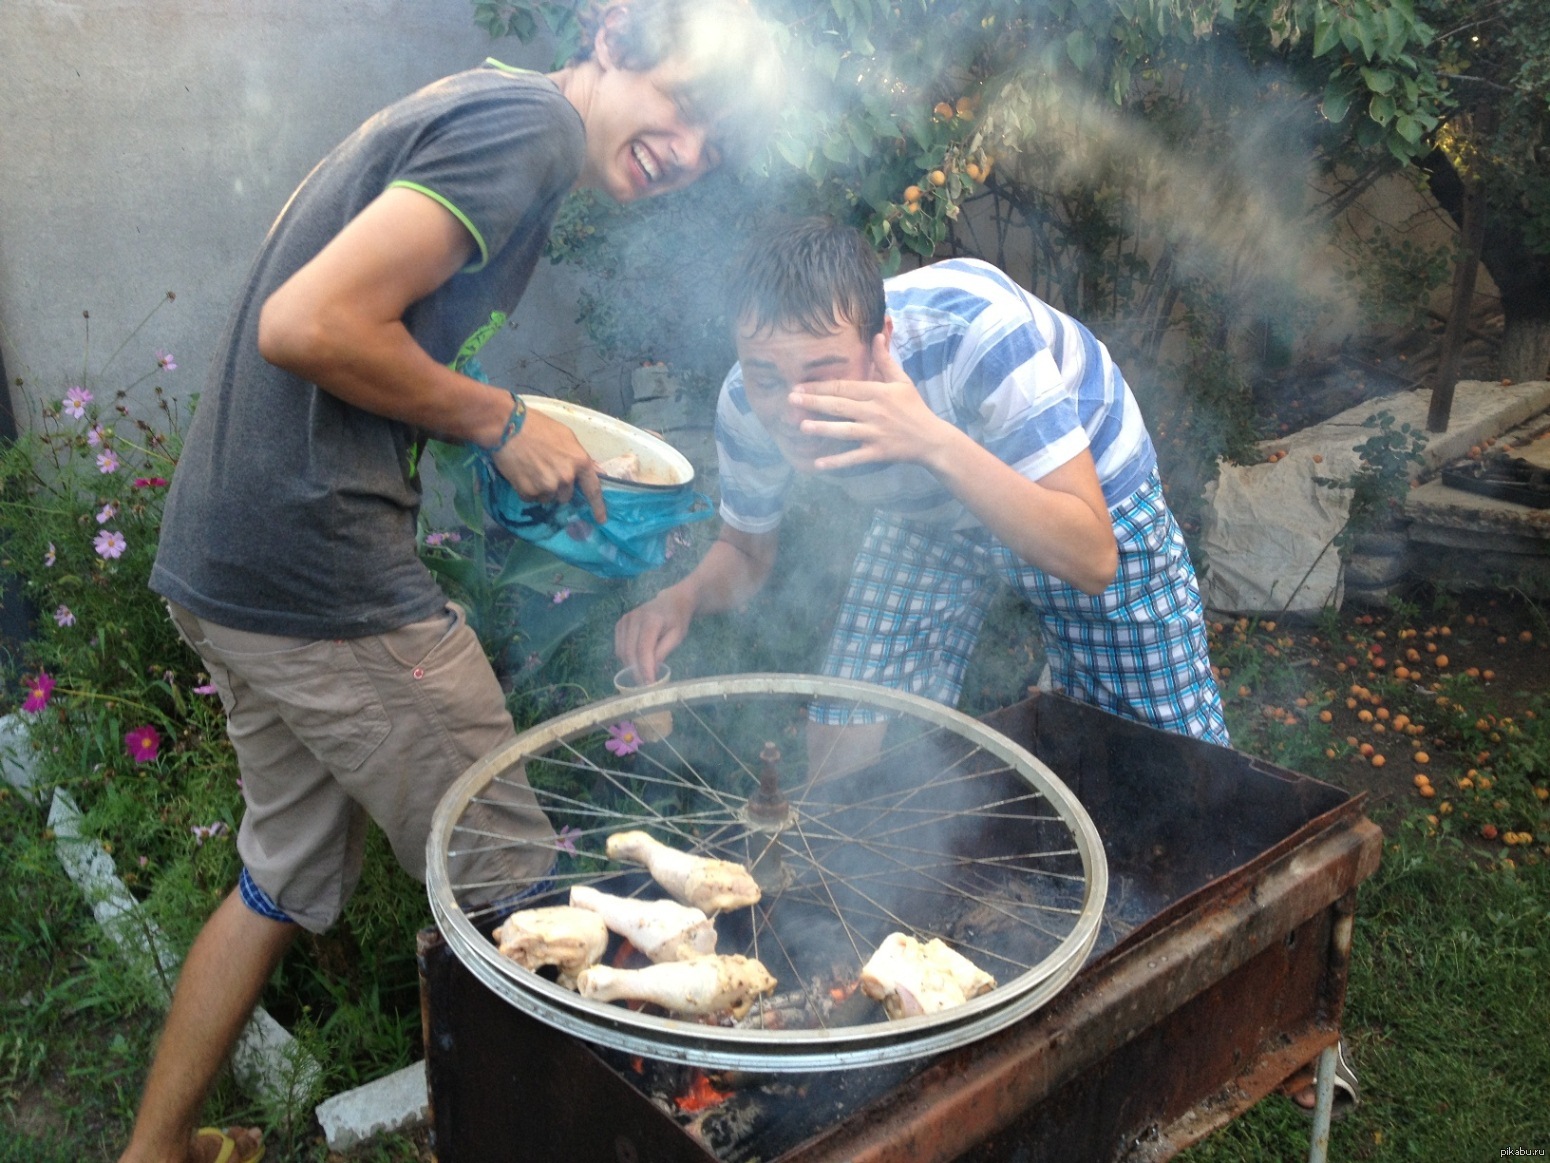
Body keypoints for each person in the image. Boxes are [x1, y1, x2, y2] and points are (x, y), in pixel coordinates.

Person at [123, 3, 780, 1161]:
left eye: (711, 149)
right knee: (525, 894)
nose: (685, 154)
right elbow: (306, 321)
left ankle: (155, 1151)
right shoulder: (522, 126)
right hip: (323, 574)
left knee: (279, 876)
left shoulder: (473, 103)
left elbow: (358, 338)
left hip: (232, 563)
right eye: (686, 109)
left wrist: (488, 440)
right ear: (617, 35)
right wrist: (500, 415)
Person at [615, 217, 1229, 763]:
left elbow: (1092, 557)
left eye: (822, 375)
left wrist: (930, 441)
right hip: (932, 518)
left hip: (1081, 497)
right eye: (767, 375)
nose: (792, 409)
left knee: (1165, 761)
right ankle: (859, 881)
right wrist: (684, 598)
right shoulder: (746, 403)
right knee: (844, 733)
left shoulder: (975, 330)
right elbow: (748, 551)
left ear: (882, 339)